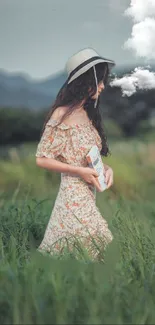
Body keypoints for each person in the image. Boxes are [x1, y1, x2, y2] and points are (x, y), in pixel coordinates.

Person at [35, 48, 115, 261]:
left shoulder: (88, 114)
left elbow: (90, 157)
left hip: (89, 193)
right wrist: (78, 171)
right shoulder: (61, 114)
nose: (103, 86)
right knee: (83, 251)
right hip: (72, 195)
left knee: (80, 253)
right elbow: (41, 158)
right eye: (99, 80)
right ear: (85, 82)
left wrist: (107, 169)